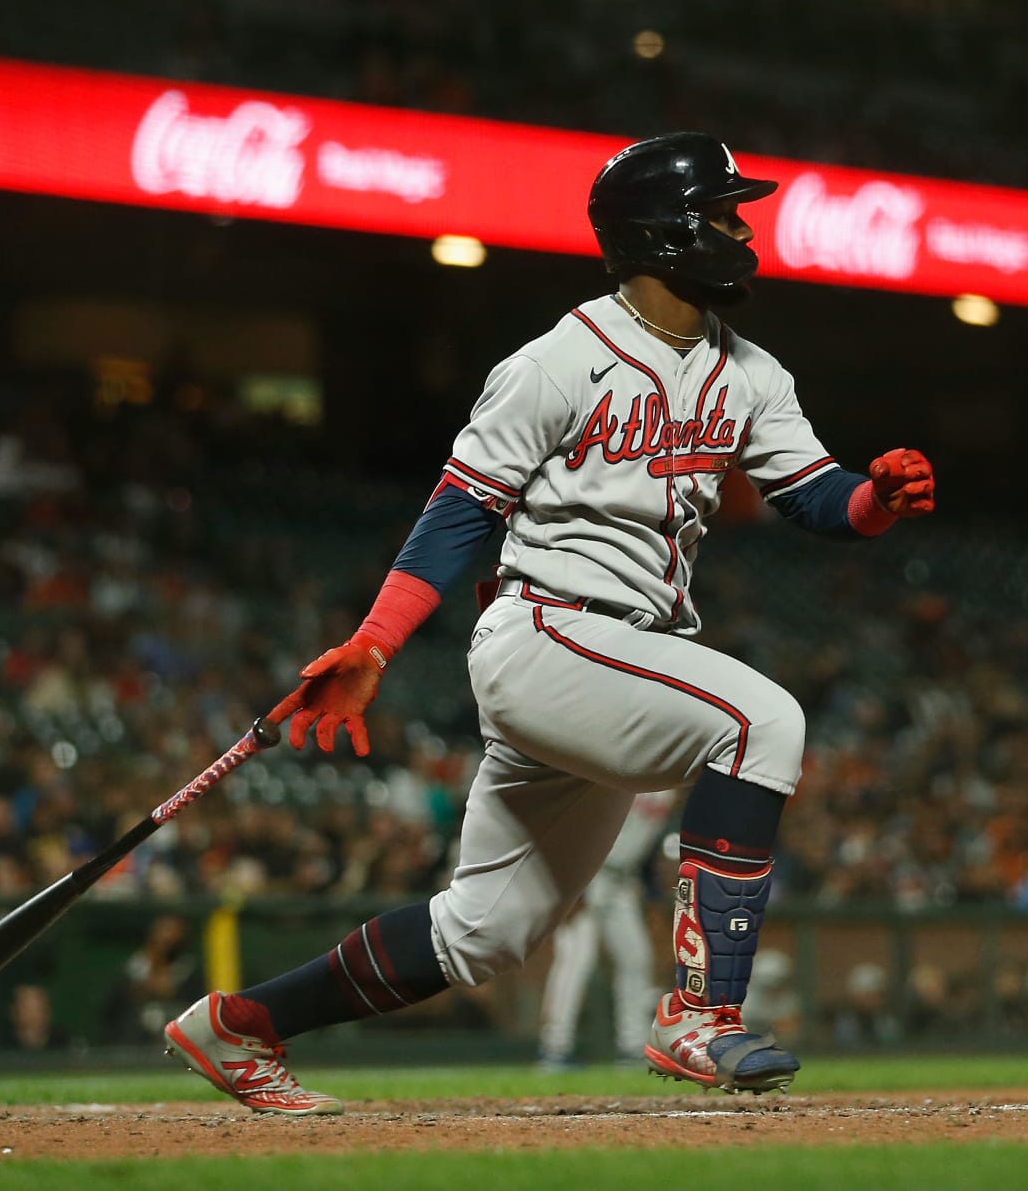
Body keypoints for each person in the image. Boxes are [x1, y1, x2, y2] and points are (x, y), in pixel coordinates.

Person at [162, 132, 935, 1115]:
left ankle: (240, 1026)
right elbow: (462, 507)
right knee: (760, 722)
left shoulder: (749, 371)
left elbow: (815, 496)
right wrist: (376, 642)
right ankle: (701, 1014)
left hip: (618, 656)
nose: (743, 228)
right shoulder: (557, 362)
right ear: (666, 232)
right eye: (725, 211)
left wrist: (875, 499)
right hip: (547, 636)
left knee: (485, 932)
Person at [536, 789, 674, 1070]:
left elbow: (646, 844)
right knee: (576, 959)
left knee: (636, 958)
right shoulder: (624, 761)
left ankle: (632, 1045)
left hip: (622, 879)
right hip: (588, 870)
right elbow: (579, 817)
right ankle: (554, 1048)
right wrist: (572, 879)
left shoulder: (670, 782)